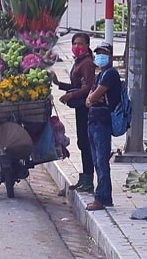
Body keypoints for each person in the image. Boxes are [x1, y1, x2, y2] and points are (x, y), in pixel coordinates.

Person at [52, 32, 96, 193]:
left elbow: (88, 88)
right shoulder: (79, 61)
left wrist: (70, 95)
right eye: (75, 43)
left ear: (87, 46)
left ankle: (88, 180)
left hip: (86, 108)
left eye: (80, 44)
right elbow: (76, 85)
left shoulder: (87, 64)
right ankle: (84, 178)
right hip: (80, 108)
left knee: (85, 143)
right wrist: (59, 84)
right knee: (82, 142)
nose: (77, 47)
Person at [84, 42, 121, 210]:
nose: (100, 56)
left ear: (111, 56)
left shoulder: (110, 74)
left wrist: (93, 98)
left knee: (101, 160)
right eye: (98, 53)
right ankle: (104, 196)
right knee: (96, 160)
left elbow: (93, 97)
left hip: (102, 122)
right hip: (93, 120)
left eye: (104, 53)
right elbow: (88, 101)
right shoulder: (100, 74)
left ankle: (101, 197)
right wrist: (92, 98)